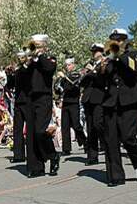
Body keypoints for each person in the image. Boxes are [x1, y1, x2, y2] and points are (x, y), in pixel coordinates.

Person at [100, 28, 137, 186]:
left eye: (119, 40)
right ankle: (116, 176)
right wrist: (102, 69)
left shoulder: (133, 55)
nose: (116, 42)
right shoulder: (109, 59)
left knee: (128, 137)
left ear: (125, 41)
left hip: (129, 101)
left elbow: (135, 70)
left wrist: (119, 55)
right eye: (114, 40)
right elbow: (102, 81)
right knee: (111, 139)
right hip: (111, 101)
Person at [25, 34, 60, 178]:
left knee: (40, 131)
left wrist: (39, 56)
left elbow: (49, 69)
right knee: (32, 135)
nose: (35, 47)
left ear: (44, 46)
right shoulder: (31, 61)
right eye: (34, 45)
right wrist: (26, 62)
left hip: (44, 98)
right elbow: (23, 76)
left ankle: (53, 155)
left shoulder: (49, 58)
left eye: (38, 45)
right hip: (30, 98)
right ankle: (36, 167)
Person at [80, 43, 107, 165]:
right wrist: (85, 73)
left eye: (96, 51)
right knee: (90, 128)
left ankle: (107, 144)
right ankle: (92, 156)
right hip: (88, 98)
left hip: (99, 97)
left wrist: (93, 73)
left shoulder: (104, 63)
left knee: (98, 124)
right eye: (93, 51)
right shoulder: (90, 65)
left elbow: (103, 80)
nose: (94, 54)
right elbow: (82, 83)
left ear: (101, 52)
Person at [55, 58, 86, 155]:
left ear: (73, 65)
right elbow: (59, 90)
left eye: (69, 65)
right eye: (66, 65)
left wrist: (64, 78)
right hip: (66, 103)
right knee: (65, 126)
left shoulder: (76, 74)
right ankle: (66, 148)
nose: (67, 67)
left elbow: (71, 86)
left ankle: (85, 143)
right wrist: (58, 81)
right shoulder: (65, 76)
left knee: (76, 125)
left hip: (74, 102)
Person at [5, 51, 31, 164]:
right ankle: (18, 155)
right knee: (17, 129)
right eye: (18, 58)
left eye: (21, 57)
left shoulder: (27, 69)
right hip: (19, 102)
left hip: (28, 101)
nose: (19, 59)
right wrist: (9, 75)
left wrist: (17, 70)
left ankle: (31, 153)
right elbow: (10, 85)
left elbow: (26, 79)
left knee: (30, 128)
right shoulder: (17, 71)